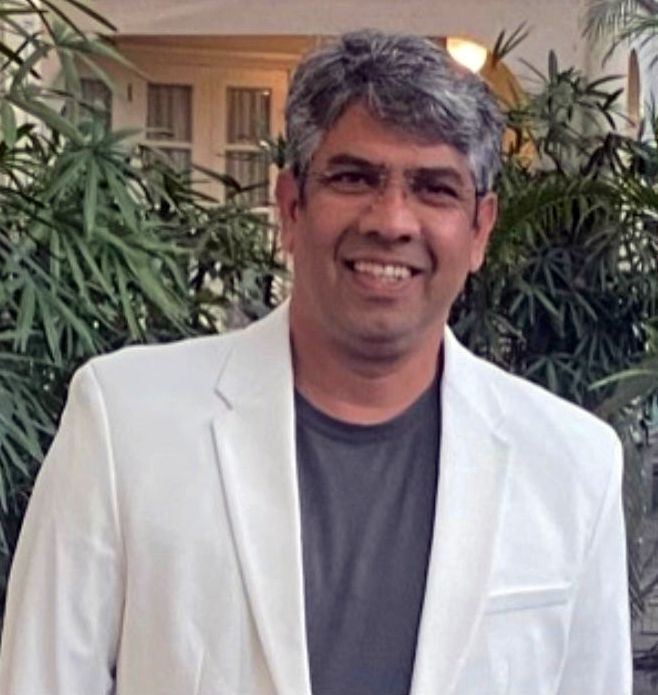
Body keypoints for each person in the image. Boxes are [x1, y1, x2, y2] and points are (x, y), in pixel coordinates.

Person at [0, 29, 631, 695]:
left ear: (480, 230)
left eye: (435, 188)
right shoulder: (126, 422)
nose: (392, 220)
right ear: (291, 207)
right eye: (354, 178)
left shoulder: (571, 466)